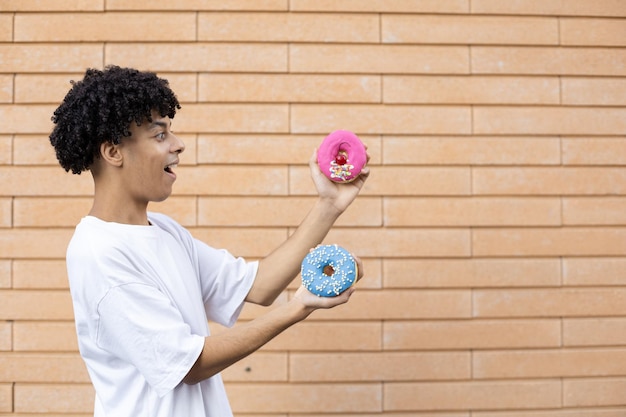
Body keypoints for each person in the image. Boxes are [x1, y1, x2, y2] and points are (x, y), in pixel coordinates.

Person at [49, 65, 369, 417]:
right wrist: (298, 307)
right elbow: (188, 365)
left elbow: (259, 286)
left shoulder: (166, 232)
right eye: (160, 135)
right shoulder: (99, 252)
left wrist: (329, 204)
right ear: (113, 152)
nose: (178, 144)